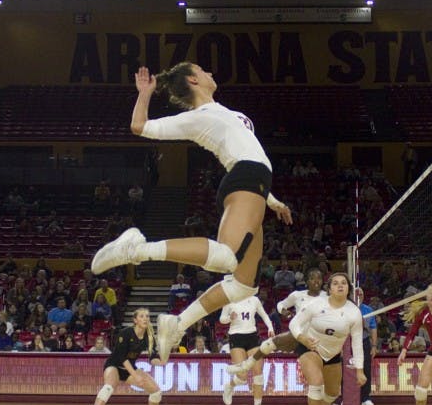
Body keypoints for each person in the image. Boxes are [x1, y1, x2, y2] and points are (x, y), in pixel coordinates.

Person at [90, 62, 293, 363]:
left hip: (257, 186)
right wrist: (145, 94)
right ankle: (137, 249)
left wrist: (271, 199)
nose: (212, 73)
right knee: (226, 256)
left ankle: (178, 323)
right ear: (194, 79)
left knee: (242, 286)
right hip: (244, 179)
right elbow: (141, 127)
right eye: (204, 70)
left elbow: (247, 149)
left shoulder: (223, 110)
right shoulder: (197, 117)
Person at [228, 273, 366, 405]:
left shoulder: (354, 313)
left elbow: (357, 343)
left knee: (332, 393)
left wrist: (359, 370)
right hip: (307, 343)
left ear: (348, 288)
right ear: (329, 288)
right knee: (314, 380)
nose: (340, 286)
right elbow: (293, 322)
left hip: (332, 353)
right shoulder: (313, 303)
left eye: (343, 283)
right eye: (336, 283)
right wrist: (302, 338)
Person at [87, 308, 164, 405]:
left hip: (129, 368)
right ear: (135, 320)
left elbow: (153, 357)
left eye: (148, 316)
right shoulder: (125, 333)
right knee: (109, 386)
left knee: (156, 391)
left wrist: (160, 362)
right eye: (142, 316)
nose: (146, 318)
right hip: (114, 364)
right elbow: (121, 357)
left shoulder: (149, 337)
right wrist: (135, 375)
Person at [220, 294, 275, 405]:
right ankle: (230, 386)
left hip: (252, 337)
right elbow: (222, 319)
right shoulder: (229, 299)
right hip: (236, 336)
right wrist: (229, 318)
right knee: (242, 376)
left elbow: (264, 315)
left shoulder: (254, 299)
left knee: (258, 372)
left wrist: (270, 328)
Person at [354, 287, 379, 405]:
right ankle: (347, 398)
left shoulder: (368, 310)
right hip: (349, 343)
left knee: (366, 369)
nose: (359, 296)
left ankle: (365, 397)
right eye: (356, 293)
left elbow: (373, 328)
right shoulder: (347, 308)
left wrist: (374, 346)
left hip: (364, 342)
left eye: (361, 294)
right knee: (347, 370)